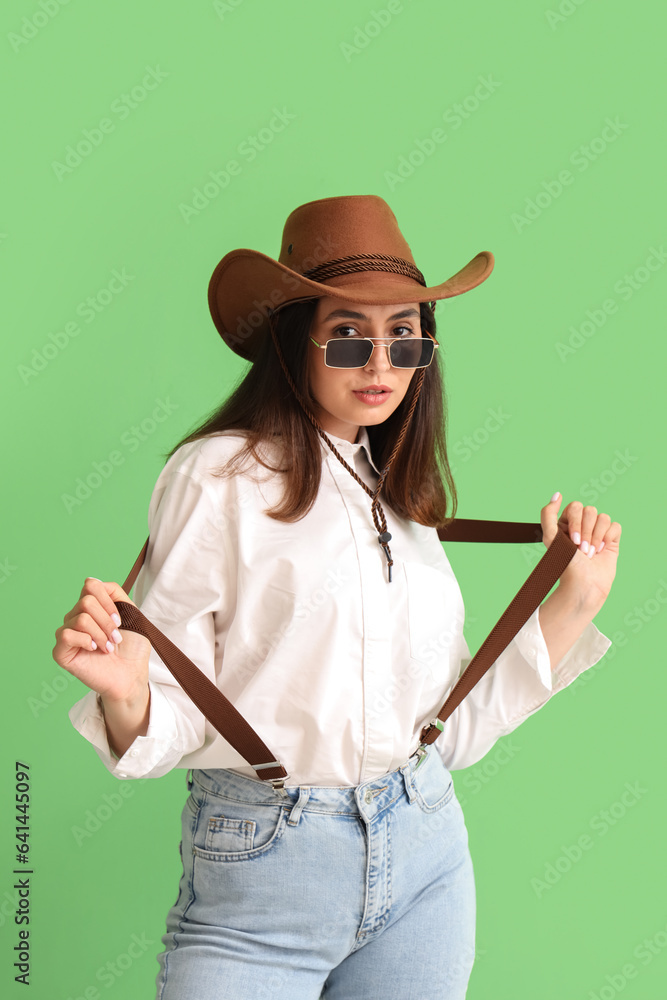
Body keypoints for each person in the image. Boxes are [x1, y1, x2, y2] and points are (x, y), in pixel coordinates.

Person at [53, 195, 621, 1000]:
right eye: (350, 335)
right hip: (261, 874)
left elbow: (444, 733)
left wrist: (575, 600)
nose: (381, 366)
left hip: (424, 858)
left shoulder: (397, 491)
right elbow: (172, 705)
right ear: (295, 339)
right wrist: (125, 697)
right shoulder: (219, 476)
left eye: (405, 339)